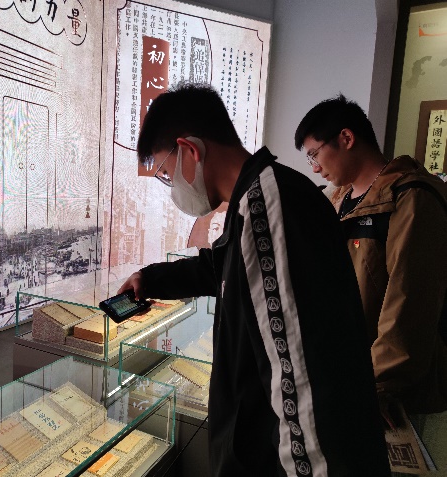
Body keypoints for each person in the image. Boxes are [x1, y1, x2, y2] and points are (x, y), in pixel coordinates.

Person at [119, 83, 389, 476]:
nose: (172, 186)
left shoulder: (269, 205)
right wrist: (150, 280)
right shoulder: (256, 200)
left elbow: (303, 383)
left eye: (166, 172)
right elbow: (222, 266)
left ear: (190, 150)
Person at [295, 94, 447, 472]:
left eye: (314, 154)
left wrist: (376, 386)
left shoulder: (411, 197)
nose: (315, 167)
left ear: (346, 138)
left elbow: (408, 304)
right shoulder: (339, 201)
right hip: (351, 382)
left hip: (395, 390)